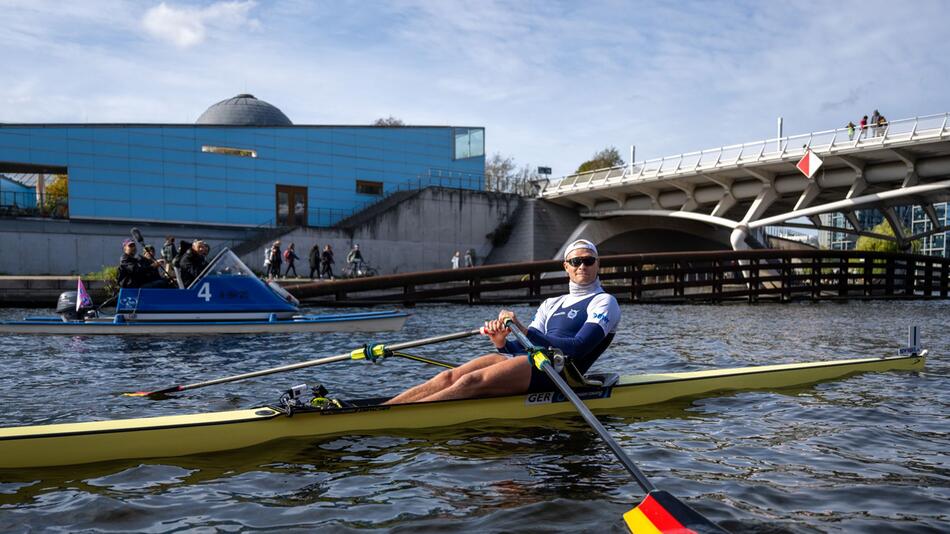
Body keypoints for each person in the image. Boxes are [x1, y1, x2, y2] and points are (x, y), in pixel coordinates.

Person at [385, 239, 621, 404]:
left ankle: (400, 418)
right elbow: (524, 346)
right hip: (536, 362)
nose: (582, 266)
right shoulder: (551, 303)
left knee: (472, 380)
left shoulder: (604, 302)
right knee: (449, 377)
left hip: (562, 371)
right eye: (576, 261)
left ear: (597, 264)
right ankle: (387, 409)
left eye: (589, 261)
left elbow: (578, 348)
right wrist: (502, 343)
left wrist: (521, 329)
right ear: (566, 267)